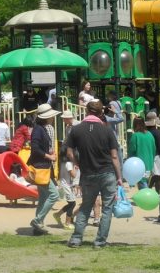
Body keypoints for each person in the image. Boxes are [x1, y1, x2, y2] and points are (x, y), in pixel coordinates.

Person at [63, 99, 123, 249]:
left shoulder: (76, 130)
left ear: (87, 111)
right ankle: (100, 241)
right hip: (107, 172)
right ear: (101, 112)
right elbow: (114, 156)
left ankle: (76, 239)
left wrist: (77, 163)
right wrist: (119, 177)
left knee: (85, 206)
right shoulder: (107, 130)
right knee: (107, 208)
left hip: (88, 173)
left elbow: (69, 152)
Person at [28, 104, 61, 235]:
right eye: (51, 116)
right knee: (54, 195)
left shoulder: (40, 128)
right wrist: (49, 156)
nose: (52, 118)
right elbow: (35, 148)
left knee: (43, 197)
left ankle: (38, 227)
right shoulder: (39, 129)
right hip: (41, 167)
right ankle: (37, 220)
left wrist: (49, 152)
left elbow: (38, 147)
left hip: (43, 167)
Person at [127, 117, 156, 188]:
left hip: (139, 166)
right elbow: (154, 150)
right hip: (149, 165)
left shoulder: (135, 136)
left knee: (143, 186)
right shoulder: (150, 135)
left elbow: (131, 152)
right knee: (146, 183)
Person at [144, 111, 160, 190]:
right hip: (157, 156)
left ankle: (148, 189)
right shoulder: (156, 132)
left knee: (154, 175)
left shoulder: (145, 132)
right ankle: (156, 192)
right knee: (158, 176)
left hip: (148, 155)